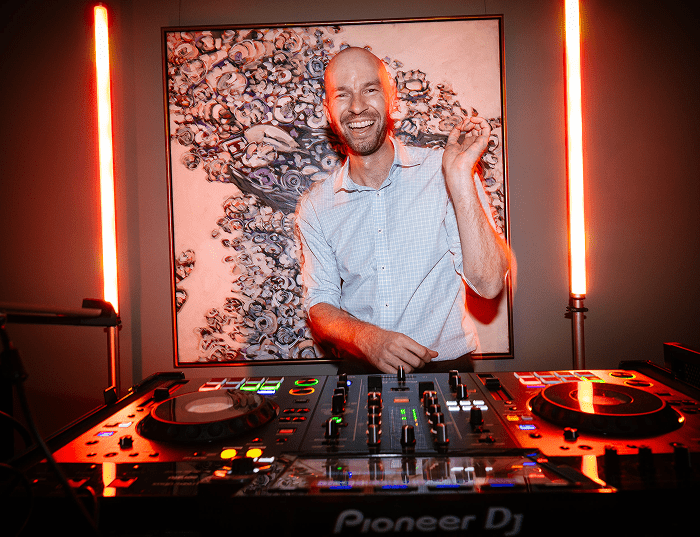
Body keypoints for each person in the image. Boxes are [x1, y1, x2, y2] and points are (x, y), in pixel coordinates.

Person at [296, 47, 514, 374]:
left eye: (370, 90)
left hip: (447, 369)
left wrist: (459, 178)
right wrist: (366, 338)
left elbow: (489, 283)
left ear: (392, 98)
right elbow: (320, 302)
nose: (356, 106)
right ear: (328, 110)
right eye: (342, 94)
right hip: (361, 371)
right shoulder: (316, 206)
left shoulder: (447, 170)